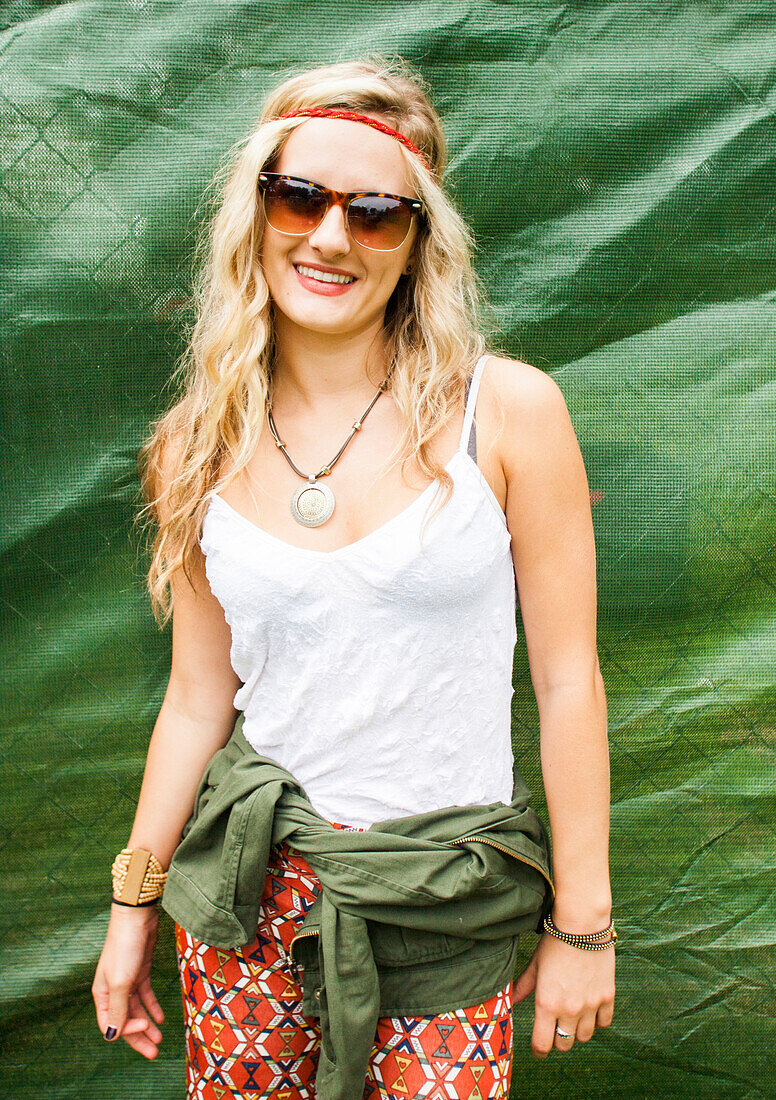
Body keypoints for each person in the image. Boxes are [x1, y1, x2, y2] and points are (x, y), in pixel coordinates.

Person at [92, 53, 615, 1099]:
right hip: (249, 897)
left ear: (416, 242)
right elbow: (199, 697)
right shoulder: (195, 443)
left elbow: (567, 680)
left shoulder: (505, 414)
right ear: (257, 213)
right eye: (300, 197)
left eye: (375, 213)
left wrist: (584, 923)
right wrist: (130, 902)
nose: (330, 236)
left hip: (445, 897)